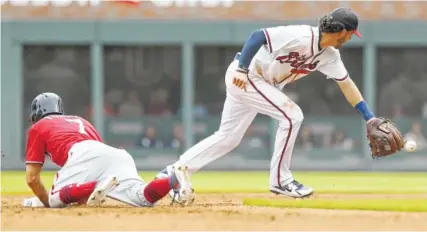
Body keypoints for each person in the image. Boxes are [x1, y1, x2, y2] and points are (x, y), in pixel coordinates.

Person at [157, 8, 381, 199]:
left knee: (228, 137)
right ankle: (281, 181)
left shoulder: (330, 56)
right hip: (248, 76)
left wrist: (368, 116)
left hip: (261, 83)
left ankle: (174, 171)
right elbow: (257, 36)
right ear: (342, 31)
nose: (351, 38)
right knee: (293, 116)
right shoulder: (302, 35)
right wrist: (242, 70)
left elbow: (347, 85)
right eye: (351, 34)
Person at [23, 92, 194, 208]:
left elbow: (32, 178)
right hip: (114, 154)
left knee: (54, 200)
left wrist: (45, 202)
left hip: (81, 154)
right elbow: (97, 159)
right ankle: (172, 179)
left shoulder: (38, 127)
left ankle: (95, 186)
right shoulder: (80, 120)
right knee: (143, 198)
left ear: (37, 113)